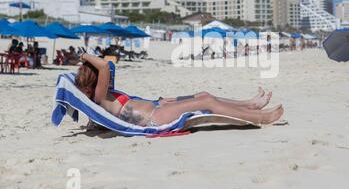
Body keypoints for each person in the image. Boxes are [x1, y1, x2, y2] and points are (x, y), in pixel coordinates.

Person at [75, 53, 284, 128]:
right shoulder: (99, 97)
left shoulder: (103, 96)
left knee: (204, 95)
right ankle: (260, 118)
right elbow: (104, 66)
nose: (109, 76)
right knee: (207, 103)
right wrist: (84, 55)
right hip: (155, 117)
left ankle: (249, 104)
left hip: (158, 106)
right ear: (95, 78)